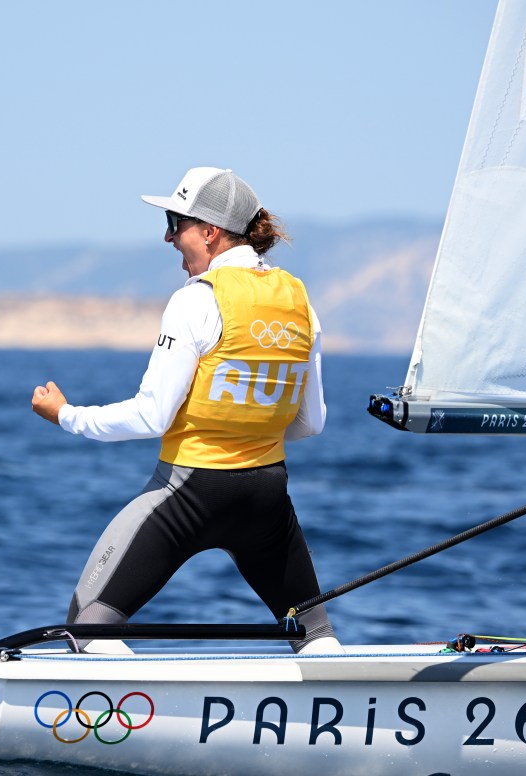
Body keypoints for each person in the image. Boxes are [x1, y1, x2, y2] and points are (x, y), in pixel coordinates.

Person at [31, 166, 340, 655]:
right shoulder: (300, 302)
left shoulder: (195, 301)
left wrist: (68, 415)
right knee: (316, 638)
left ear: (210, 231)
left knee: (86, 626)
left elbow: (152, 417)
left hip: (190, 494)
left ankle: (139, 724)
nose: (169, 237)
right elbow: (310, 422)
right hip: (267, 498)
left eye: (176, 224)